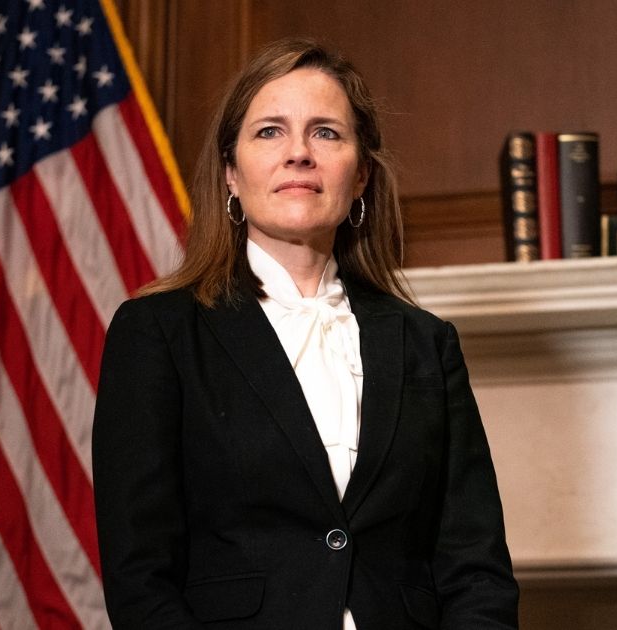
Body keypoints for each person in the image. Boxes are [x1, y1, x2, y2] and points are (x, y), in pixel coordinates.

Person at [92, 37, 519, 629]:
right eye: (269, 131)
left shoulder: (426, 343)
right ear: (231, 175)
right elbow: (140, 579)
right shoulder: (157, 334)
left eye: (326, 132)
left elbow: (477, 570)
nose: (299, 153)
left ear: (362, 174)